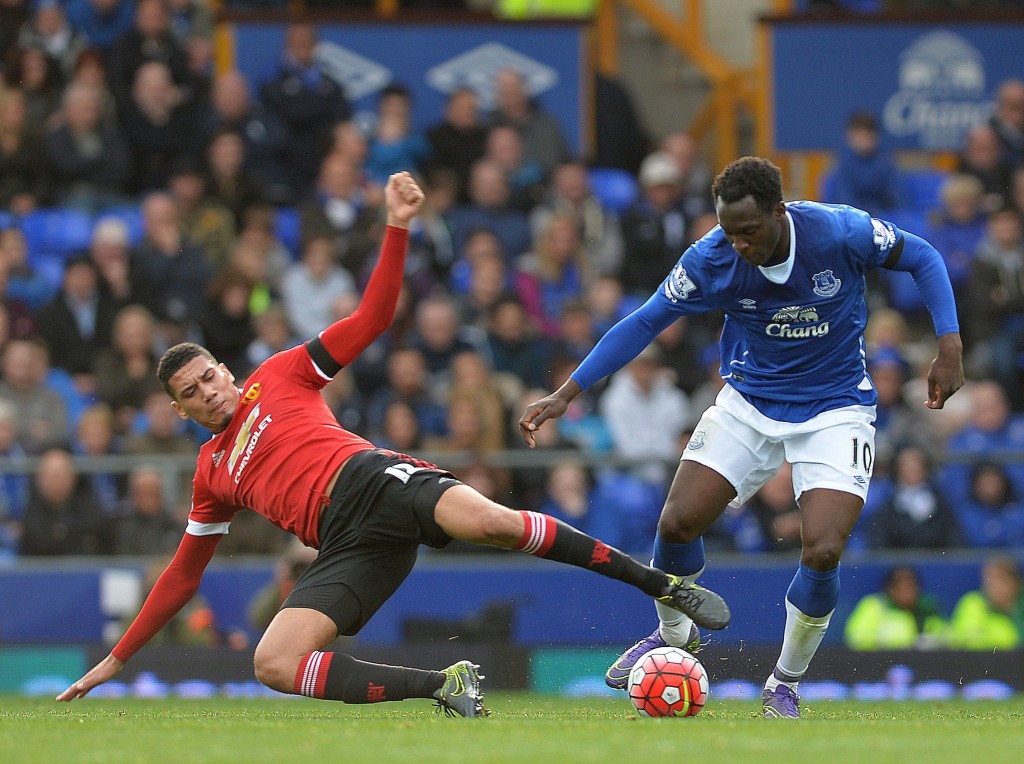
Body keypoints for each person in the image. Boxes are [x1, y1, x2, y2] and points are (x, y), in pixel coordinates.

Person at [57, 172, 728, 716]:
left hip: (374, 481)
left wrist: (397, 226)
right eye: (192, 392)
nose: (208, 391)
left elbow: (374, 318)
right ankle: (445, 685)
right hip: (344, 545)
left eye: (209, 376)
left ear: (225, 371)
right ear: (178, 410)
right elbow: (182, 574)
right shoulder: (210, 473)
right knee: (273, 663)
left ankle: (661, 586)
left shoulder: (278, 375)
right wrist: (118, 658)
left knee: (493, 522)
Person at [519, 156, 964, 719]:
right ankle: (674, 637)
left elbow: (922, 255)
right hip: (749, 403)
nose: (739, 245)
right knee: (677, 522)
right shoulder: (712, 256)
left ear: (780, 213)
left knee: (823, 548)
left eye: (749, 232)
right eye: (729, 232)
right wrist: (568, 391)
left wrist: (948, 345)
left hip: (835, 408)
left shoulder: (839, 230)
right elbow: (645, 321)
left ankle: (784, 683)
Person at [843, 565, 947, 651]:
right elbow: (856, 639)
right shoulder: (873, 606)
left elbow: (950, 639)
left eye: (910, 586)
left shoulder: (928, 608)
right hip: (881, 664)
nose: (906, 592)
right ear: (889, 589)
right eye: (900, 586)